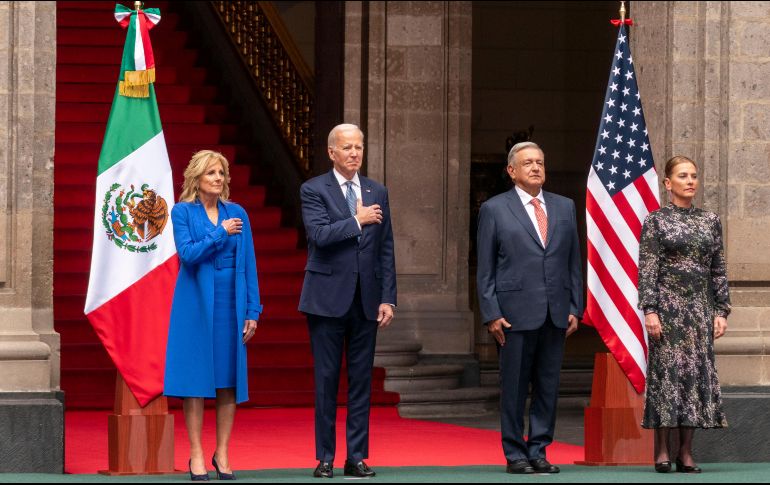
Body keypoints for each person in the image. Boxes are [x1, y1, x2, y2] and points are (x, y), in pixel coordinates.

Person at [476, 141, 582, 475]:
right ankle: (515, 453)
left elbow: (573, 261)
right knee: (515, 387)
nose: (535, 167)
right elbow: (486, 267)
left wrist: (575, 306)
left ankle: (539, 449)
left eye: (540, 161)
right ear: (512, 171)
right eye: (527, 163)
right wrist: (491, 312)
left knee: (548, 386)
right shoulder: (494, 209)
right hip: (513, 313)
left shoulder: (565, 207)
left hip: (555, 312)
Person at [299, 123, 396, 479]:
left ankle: (356, 457)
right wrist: (357, 219)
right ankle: (324, 456)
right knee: (326, 380)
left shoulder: (377, 190)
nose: (355, 153)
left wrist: (388, 297)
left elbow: (386, 248)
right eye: (348, 147)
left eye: (359, 146)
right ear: (331, 153)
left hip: (366, 300)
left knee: (361, 382)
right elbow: (320, 235)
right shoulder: (313, 189)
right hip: (325, 299)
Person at [164, 150, 263, 481]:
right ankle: (196, 453)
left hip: (230, 304)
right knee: (195, 382)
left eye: (221, 172)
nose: (219, 178)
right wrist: (220, 233)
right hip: (194, 304)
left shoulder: (238, 213)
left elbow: (248, 265)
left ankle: (222, 452)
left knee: (228, 381)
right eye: (211, 173)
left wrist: (253, 310)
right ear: (197, 178)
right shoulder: (182, 212)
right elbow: (189, 255)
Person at [638, 155, 729, 474]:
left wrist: (721, 310)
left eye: (694, 175)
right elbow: (648, 269)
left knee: (693, 378)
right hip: (667, 311)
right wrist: (650, 310)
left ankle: (686, 453)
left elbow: (718, 268)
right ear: (668, 183)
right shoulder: (656, 220)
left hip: (699, 311)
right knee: (668, 378)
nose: (690, 180)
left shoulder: (710, 220)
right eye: (683, 175)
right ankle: (662, 451)